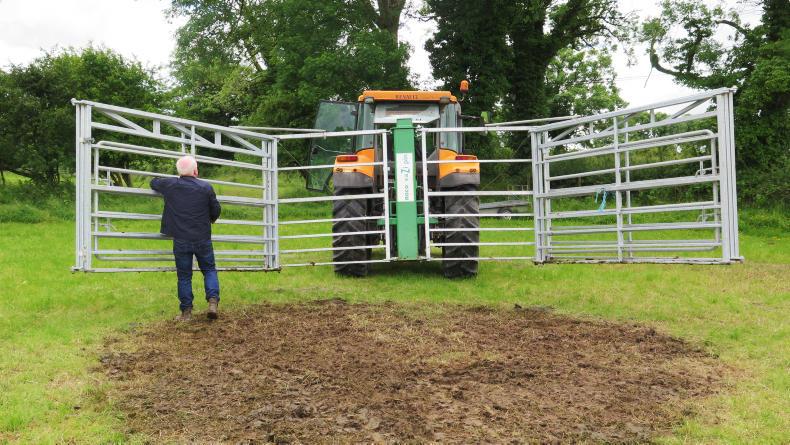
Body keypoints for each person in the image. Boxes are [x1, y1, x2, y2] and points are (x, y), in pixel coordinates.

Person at [151, 155, 222, 321]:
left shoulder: (170, 185)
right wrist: (210, 219)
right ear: (196, 171)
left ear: (178, 172)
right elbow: (216, 209)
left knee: (184, 276)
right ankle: (212, 302)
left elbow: (153, 182)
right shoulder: (206, 187)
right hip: (202, 238)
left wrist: (159, 180)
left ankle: (186, 313)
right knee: (209, 270)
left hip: (181, 239)